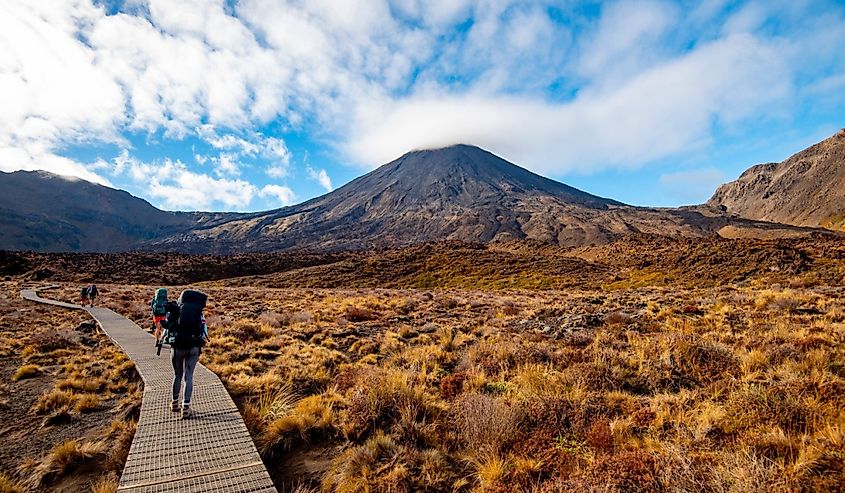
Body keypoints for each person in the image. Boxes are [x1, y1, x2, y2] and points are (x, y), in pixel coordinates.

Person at [168, 289, 208, 419]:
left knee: (177, 375)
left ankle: (174, 403)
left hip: (178, 347)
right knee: (189, 376)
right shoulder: (199, 314)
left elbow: (168, 329)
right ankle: (185, 407)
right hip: (193, 347)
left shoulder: (176, 311)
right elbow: (204, 332)